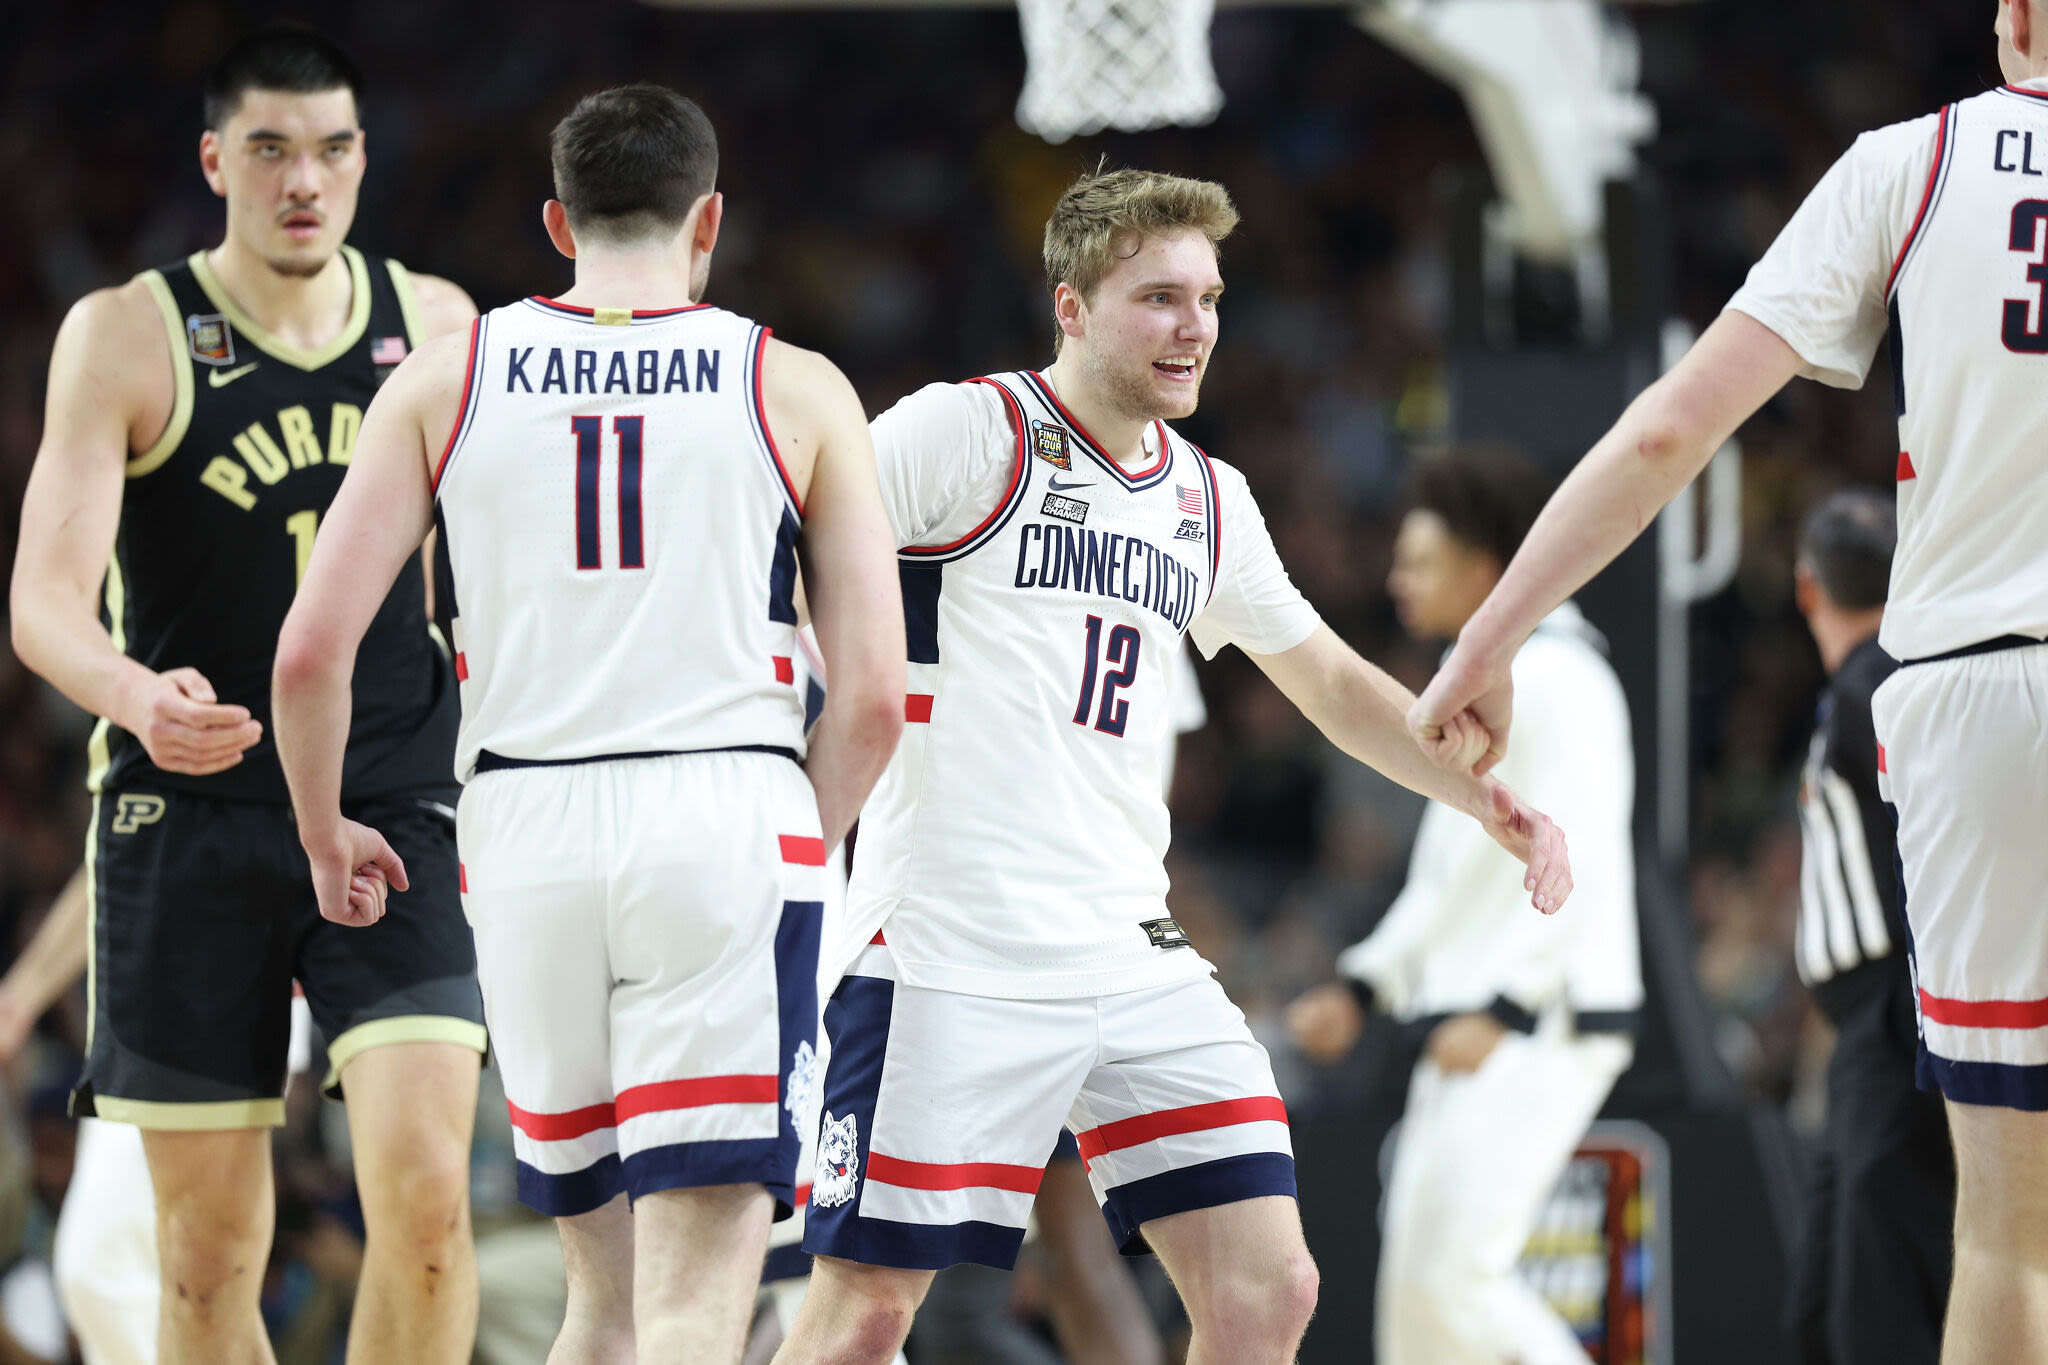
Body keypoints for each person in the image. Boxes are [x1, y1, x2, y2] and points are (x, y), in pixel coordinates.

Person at [771, 166, 1573, 1365]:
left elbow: (1329, 681)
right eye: (1157, 297)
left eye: (1205, 297)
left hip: (1125, 952)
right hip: (949, 945)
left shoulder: (1208, 499)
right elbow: (783, 561)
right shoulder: (966, 429)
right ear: (1072, 309)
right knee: (864, 1317)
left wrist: (1478, 795)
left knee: (1268, 1291)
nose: (1193, 324)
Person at [1410, 4, 2048, 1358]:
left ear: (2016, 21)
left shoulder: (1916, 162)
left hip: (1985, 696)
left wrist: (1492, 634)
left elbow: (1666, 430)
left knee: (2006, 1237)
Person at [271, 84, 905, 1365]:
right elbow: (877, 699)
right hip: (722, 811)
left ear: (557, 221)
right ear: (708, 219)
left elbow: (307, 654)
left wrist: (324, 829)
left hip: (521, 828)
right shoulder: (795, 385)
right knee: (697, 1298)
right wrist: (800, 833)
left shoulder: (445, 378)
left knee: (596, 1305)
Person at [8, 25, 487, 1365]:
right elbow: (42, 603)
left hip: (392, 802)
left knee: (433, 1204)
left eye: (332, 148)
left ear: (362, 162)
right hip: (188, 814)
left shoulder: (437, 324)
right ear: (218, 159)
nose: (304, 179)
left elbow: (474, 577)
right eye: (271, 148)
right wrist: (129, 693)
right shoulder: (127, 335)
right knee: (211, 1262)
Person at [1287, 448, 1641, 1365]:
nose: (1398, 579)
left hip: (1539, 1022)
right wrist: (1362, 988)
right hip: (1475, 1022)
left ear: (1486, 571)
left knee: (1453, 1283)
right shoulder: (1478, 682)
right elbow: (1448, 885)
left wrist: (1509, 1008)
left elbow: (1585, 857)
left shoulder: (1564, 675)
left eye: (1421, 560)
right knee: (1418, 1306)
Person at [1783, 489, 1954, 1365]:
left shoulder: (1876, 683)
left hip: (1899, 1017)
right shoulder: (1887, 677)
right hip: (1879, 1024)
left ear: (1808, 589)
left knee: (1877, 1296)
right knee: (1828, 1290)